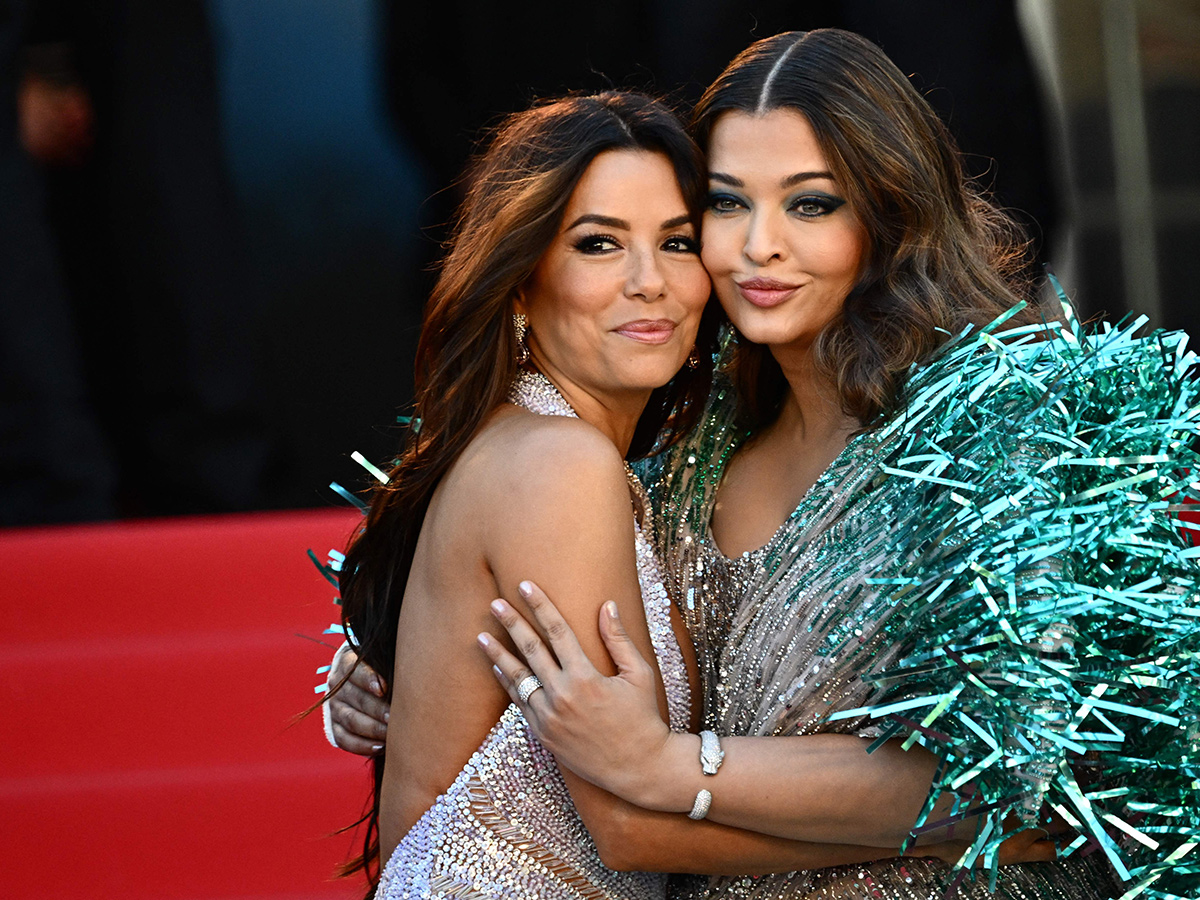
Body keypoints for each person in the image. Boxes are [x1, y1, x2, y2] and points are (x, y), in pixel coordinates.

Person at [331, 32, 1199, 899]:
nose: (759, 247)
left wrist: (671, 767)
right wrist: (404, 666)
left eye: (811, 204)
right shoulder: (679, 453)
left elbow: (1031, 776)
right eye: (726, 204)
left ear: (889, 212)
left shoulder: (995, 430)